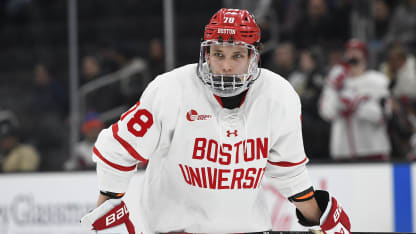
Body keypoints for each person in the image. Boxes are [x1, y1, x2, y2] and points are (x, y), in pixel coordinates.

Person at [81, 8, 350, 234]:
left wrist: (321, 218)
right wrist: (107, 206)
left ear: (253, 57)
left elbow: (288, 171)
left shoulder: (278, 96)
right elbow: (118, 149)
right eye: (218, 54)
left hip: (250, 230)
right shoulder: (170, 90)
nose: (226, 66)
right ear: (206, 53)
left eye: (237, 55)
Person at [319, 39, 391, 161]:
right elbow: (327, 113)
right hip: (343, 152)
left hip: (373, 150)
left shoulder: (378, 80)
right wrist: (334, 88)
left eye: (357, 51)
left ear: (365, 56)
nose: (353, 54)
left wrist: (357, 104)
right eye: (350, 51)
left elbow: (384, 115)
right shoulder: (336, 82)